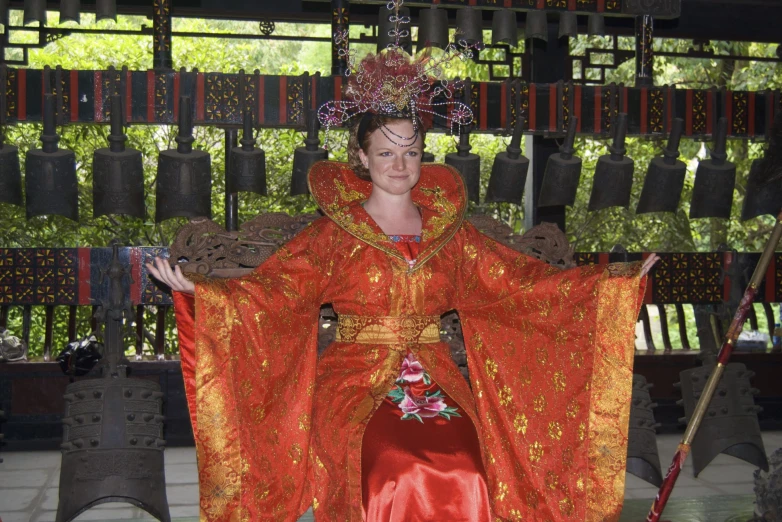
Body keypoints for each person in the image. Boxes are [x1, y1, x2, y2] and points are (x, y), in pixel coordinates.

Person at [147, 9, 659, 519]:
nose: (400, 165)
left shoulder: (451, 237)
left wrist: (609, 284)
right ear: (363, 159)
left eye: (411, 152)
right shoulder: (333, 235)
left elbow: (520, 284)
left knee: (467, 469)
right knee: (398, 471)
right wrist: (205, 294)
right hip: (354, 382)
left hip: (436, 377)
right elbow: (277, 290)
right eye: (386, 153)